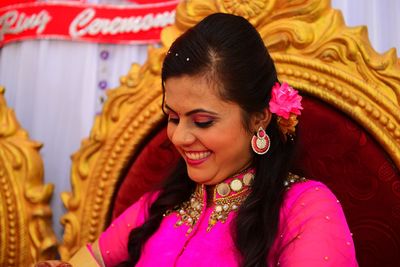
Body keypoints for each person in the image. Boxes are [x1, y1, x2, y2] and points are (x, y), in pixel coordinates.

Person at [37, 13, 358, 267]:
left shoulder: (305, 207)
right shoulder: (156, 209)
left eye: (202, 121)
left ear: (259, 117)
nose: (179, 136)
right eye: (173, 117)